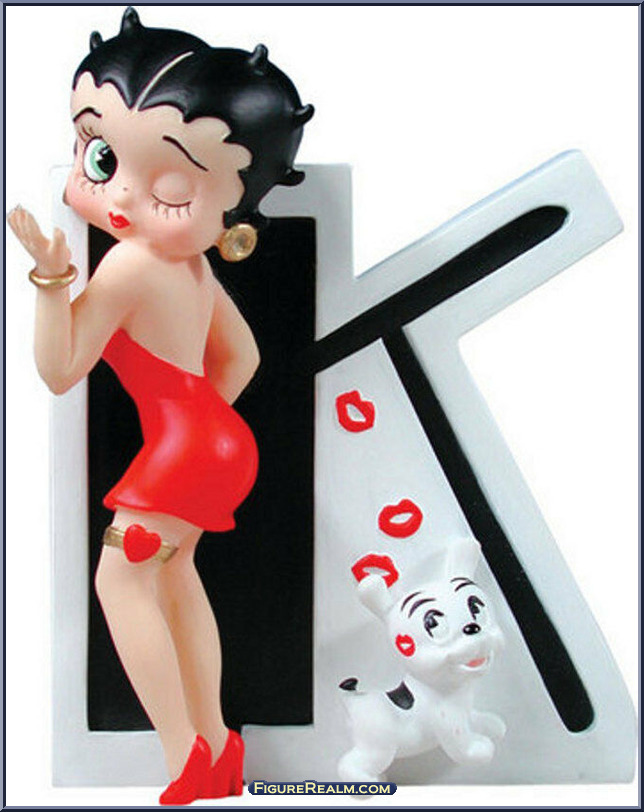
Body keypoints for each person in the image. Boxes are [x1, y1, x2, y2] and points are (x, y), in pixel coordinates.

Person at [7, 7, 313, 805]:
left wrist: (50, 280)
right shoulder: (191, 269)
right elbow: (241, 358)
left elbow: (59, 369)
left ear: (230, 211)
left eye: (170, 188)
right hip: (218, 440)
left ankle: (186, 755)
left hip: (187, 446)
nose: (121, 198)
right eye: (100, 157)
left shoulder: (130, 266)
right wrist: (203, 423)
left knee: (122, 584)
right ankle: (220, 745)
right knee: (176, 581)